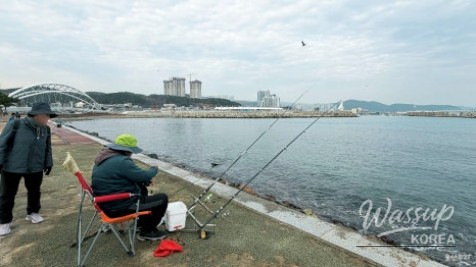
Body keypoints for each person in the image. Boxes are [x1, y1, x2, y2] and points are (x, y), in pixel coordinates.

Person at [91, 134, 168, 241]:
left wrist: (143, 182)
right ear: (126, 150)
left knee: (141, 187)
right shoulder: (122, 161)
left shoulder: (103, 158)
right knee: (162, 199)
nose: (131, 154)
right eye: (131, 151)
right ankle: (148, 231)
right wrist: (154, 167)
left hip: (105, 204)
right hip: (120, 207)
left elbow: (130, 177)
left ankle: (141, 223)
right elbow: (145, 175)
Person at [0, 102, 56, 236]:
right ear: (37, 115)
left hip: (35, 167)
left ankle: (33, 213)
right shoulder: (16, 124)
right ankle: (4, 221)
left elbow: (48, 147)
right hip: (12, 167)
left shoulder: (46, 129)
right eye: (46, 116)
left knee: (35, 192)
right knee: (7, 195)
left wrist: (48, 163)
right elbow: (2, 144)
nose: (48, 119)